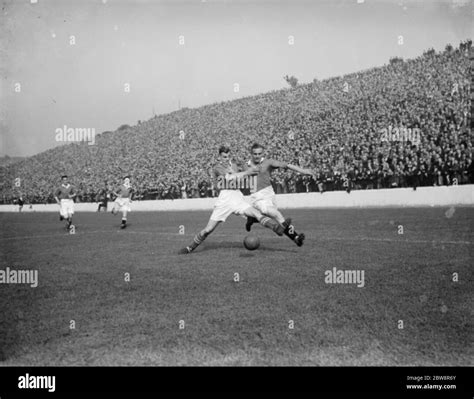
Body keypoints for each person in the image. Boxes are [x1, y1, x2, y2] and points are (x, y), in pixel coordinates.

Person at [180, 145, 285, 254]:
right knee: (208, 230)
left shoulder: (234, 165)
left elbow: (241, 176)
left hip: (237, 196)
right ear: (219, 157)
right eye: (224, 157)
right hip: (224, 199)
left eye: (228, 156)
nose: (226, 159)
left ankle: (276, 228)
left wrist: (251, 171)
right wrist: (246, 173)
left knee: (256, 213)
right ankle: (190, 247)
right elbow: (229, 178)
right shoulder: (217, 167)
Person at [244, 143, 315, 246]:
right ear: (251, 153)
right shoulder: (245, 165)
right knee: (276, 214)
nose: (257, 156)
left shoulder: (268, 162)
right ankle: (296, 237)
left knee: (273, 216)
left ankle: (252, 219)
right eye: (255, 154)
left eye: (259, 153)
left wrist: (303, 171)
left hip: (269, 194)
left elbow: (287, 165)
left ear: (262, 153)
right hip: (257, 197)